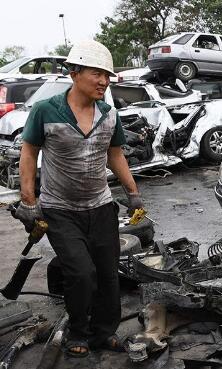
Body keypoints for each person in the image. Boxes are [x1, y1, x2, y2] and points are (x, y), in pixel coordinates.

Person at [14, 40, 144, 358]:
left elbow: (115, 156)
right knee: (81, 273)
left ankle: (103, 333)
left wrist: (133, 193)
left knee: (108, 273)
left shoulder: (109, 115)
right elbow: (29, 153)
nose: (104, 81)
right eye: (97, 73)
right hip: (60, 209)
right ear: (74, 73)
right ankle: (78, 331)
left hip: (100, 207)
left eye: (108, 76)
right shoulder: (46, 111)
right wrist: (29, 200)